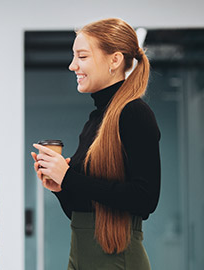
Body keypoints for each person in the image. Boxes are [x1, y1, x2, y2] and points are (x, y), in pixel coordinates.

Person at [31, 18, 160, 270]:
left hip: (116, 260)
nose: (72, 66)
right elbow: (83, 211)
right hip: (80, 256)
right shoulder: (95, 120)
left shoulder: (135, 114)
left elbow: (145, 199)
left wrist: (69, 178)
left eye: (82, 56)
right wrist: (60, 187)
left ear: (115, 60)